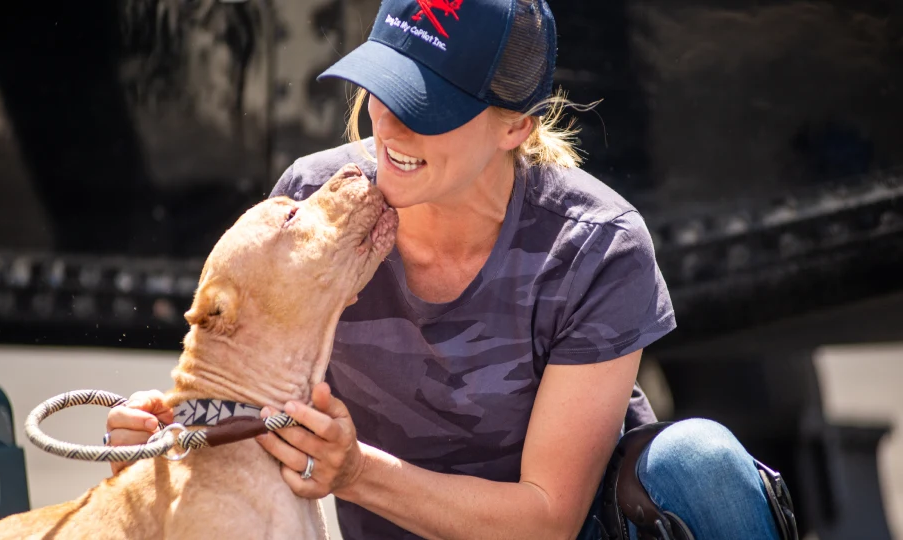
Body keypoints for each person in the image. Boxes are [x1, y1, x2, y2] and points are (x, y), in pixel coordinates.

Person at [105, 1, 793, 538]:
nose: (392, 128)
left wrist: (354, 471)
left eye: (428, 108)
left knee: (701, 465)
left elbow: (548, 519)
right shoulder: (313, 212)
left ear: (515, 127)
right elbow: (248, 407)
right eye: (384, 88)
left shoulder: (597, 248)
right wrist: (165, 436)